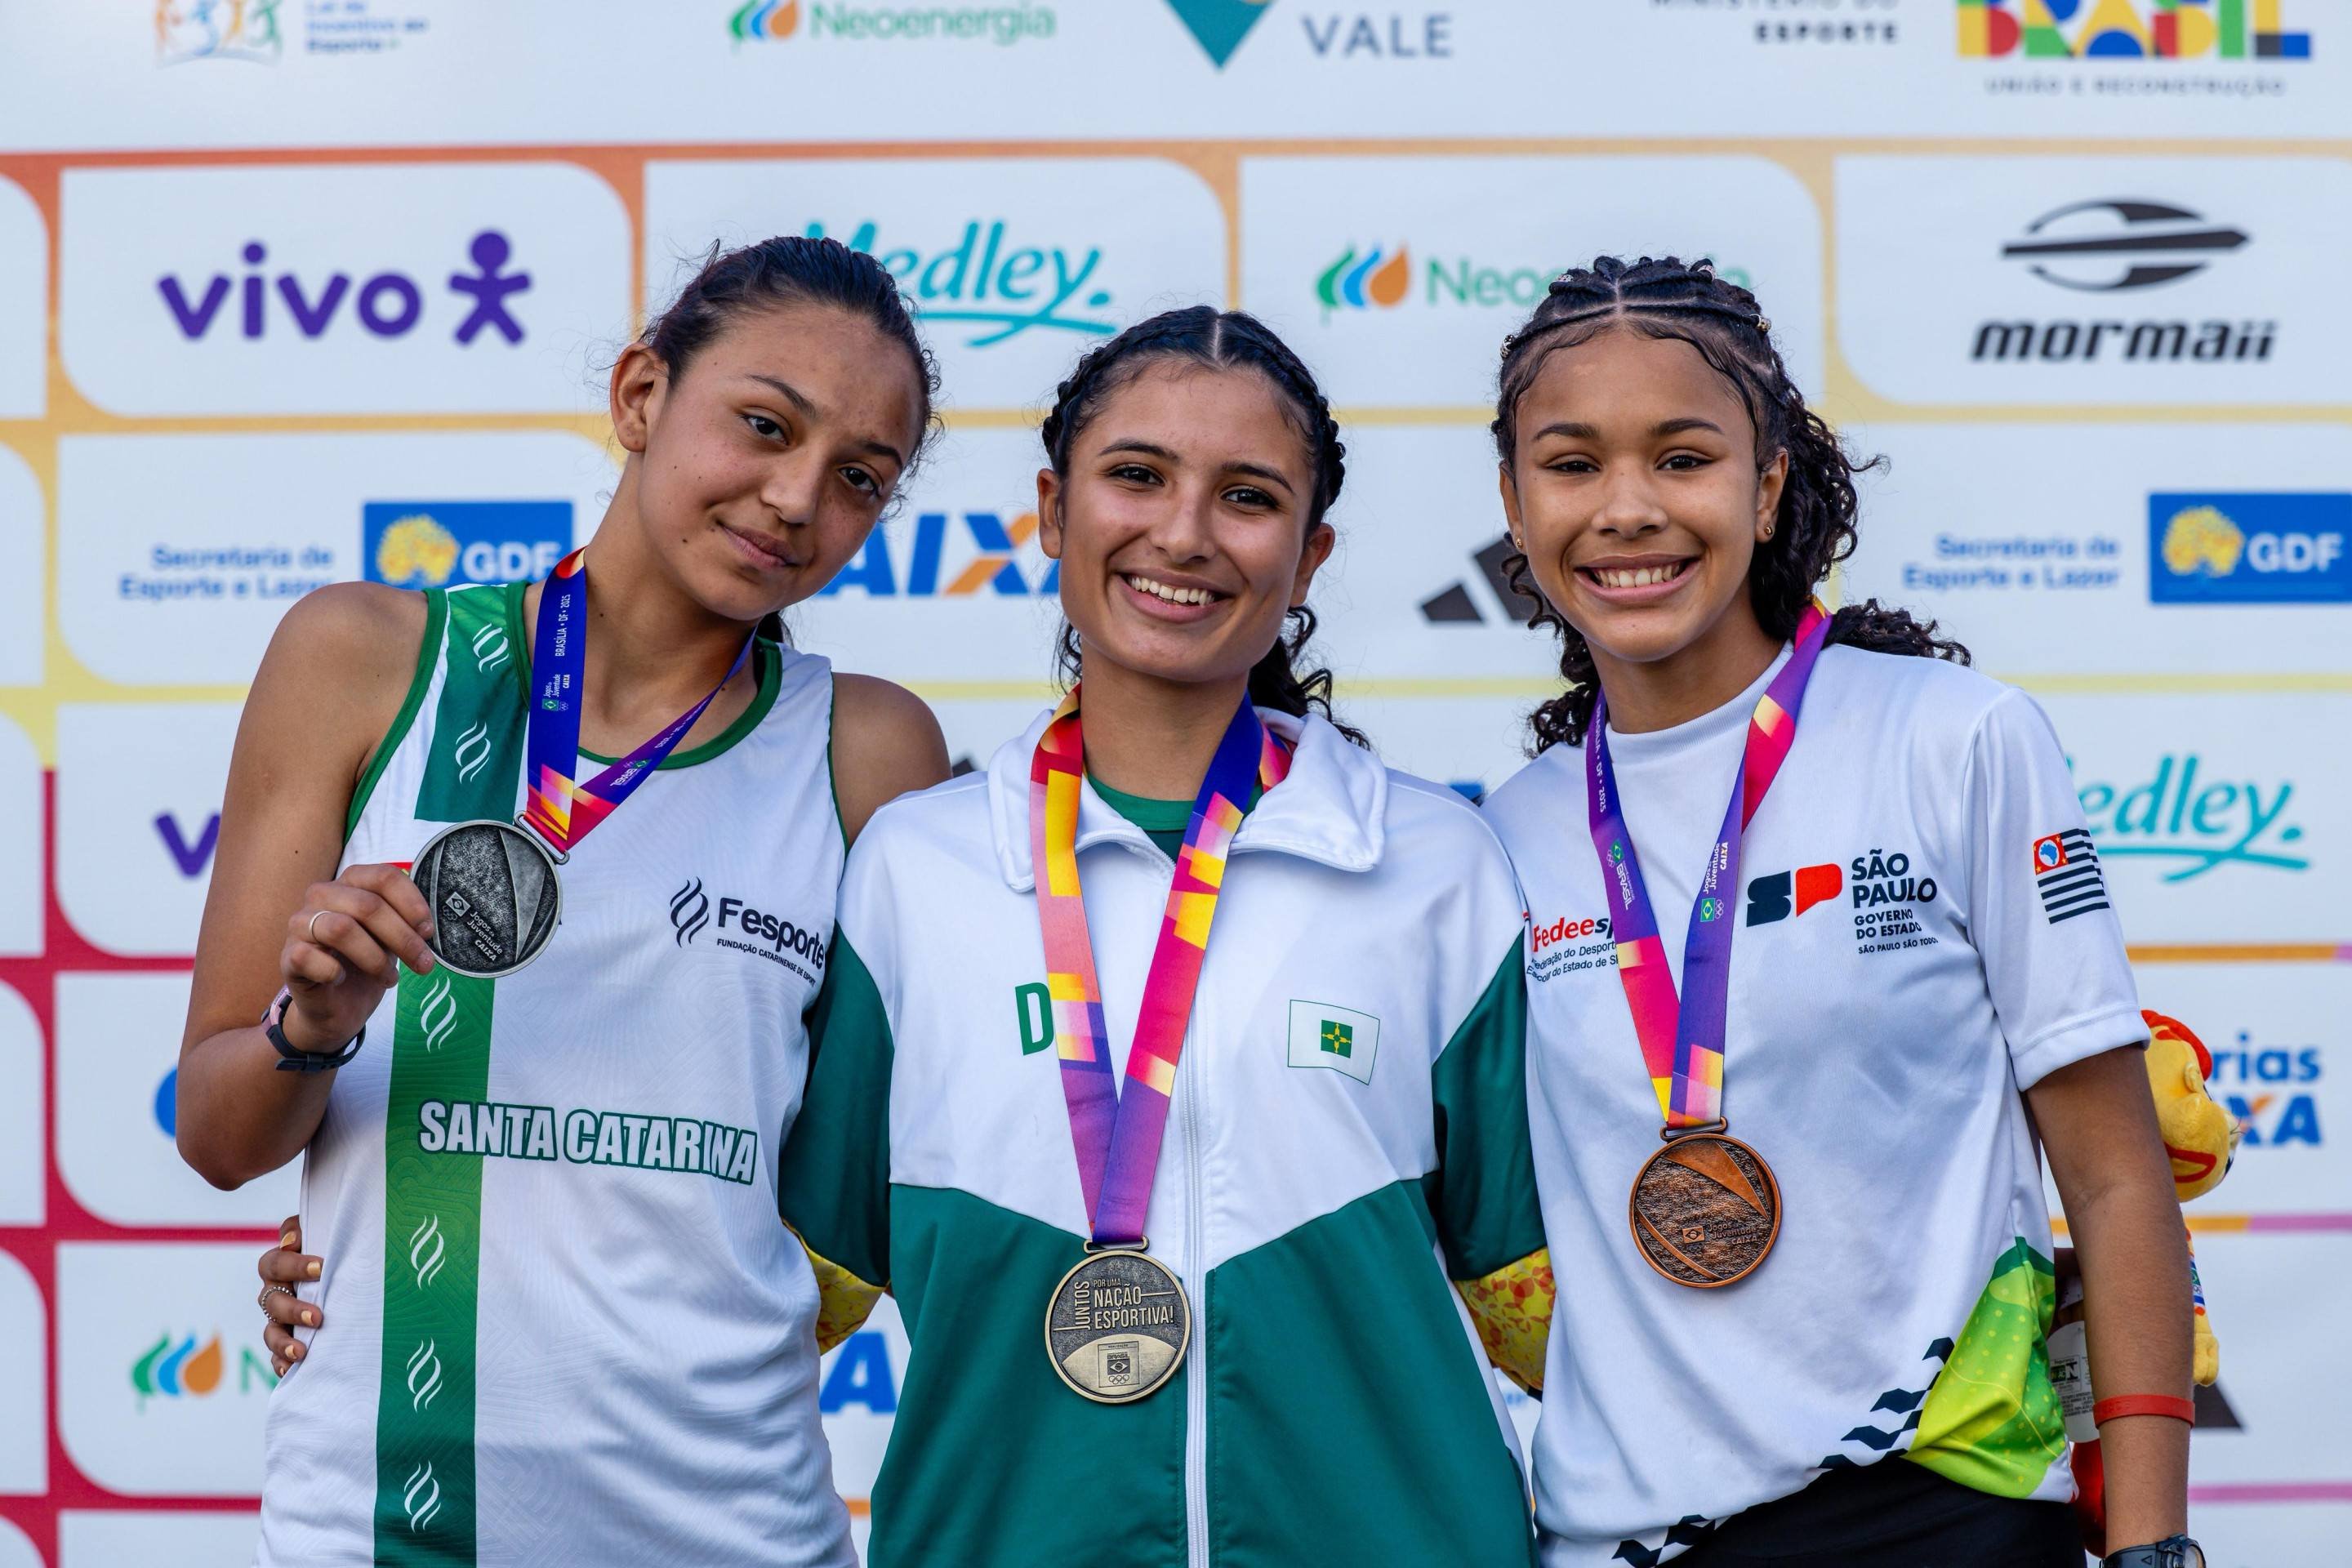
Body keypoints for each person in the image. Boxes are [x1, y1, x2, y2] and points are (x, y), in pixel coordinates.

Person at [183, 235, 951, 1567]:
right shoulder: (365, 661)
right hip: (386, 1522)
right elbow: (218, 1132)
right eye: (763, 425)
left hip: (734, 1521)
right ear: (642, 394)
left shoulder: (867, 749)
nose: (793, 499)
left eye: (859, 481)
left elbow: (876, 1181)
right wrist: (316, 1031)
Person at [774, 305, 1554, 1568]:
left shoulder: (1432, 867)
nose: (1182, 534)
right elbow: (785, 1296)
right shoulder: (915, 875)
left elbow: (1546, 1314)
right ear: (1051, 511)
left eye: (1248, 497)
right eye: (1136, 476)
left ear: (1309, 559)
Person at [1479, 256, 2197, 1568]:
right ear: (1516, 506)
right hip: (1621, 1546)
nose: (1627, 510)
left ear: (1763, 488)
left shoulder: (1956, 740)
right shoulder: (1500, 839)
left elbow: (2113, 1171)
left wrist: (2152, 1548)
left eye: (1683, 459)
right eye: (1572, 465)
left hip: (1939, 1516)